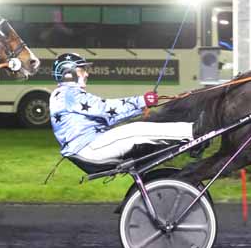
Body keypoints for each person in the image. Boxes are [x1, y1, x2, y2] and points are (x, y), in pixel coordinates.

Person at [49, 53, 193, 167]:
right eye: (81, 70)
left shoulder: (64, 94)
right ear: (68, 73)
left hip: (89, 146)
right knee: (137, 130)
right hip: (89, 148)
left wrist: (142, 105)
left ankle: (190, 133)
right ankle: (194, 131)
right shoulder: (68, 94)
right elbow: (106, 109)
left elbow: (111, 117)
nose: (86, 74)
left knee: (136, 129)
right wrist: (142, 101)